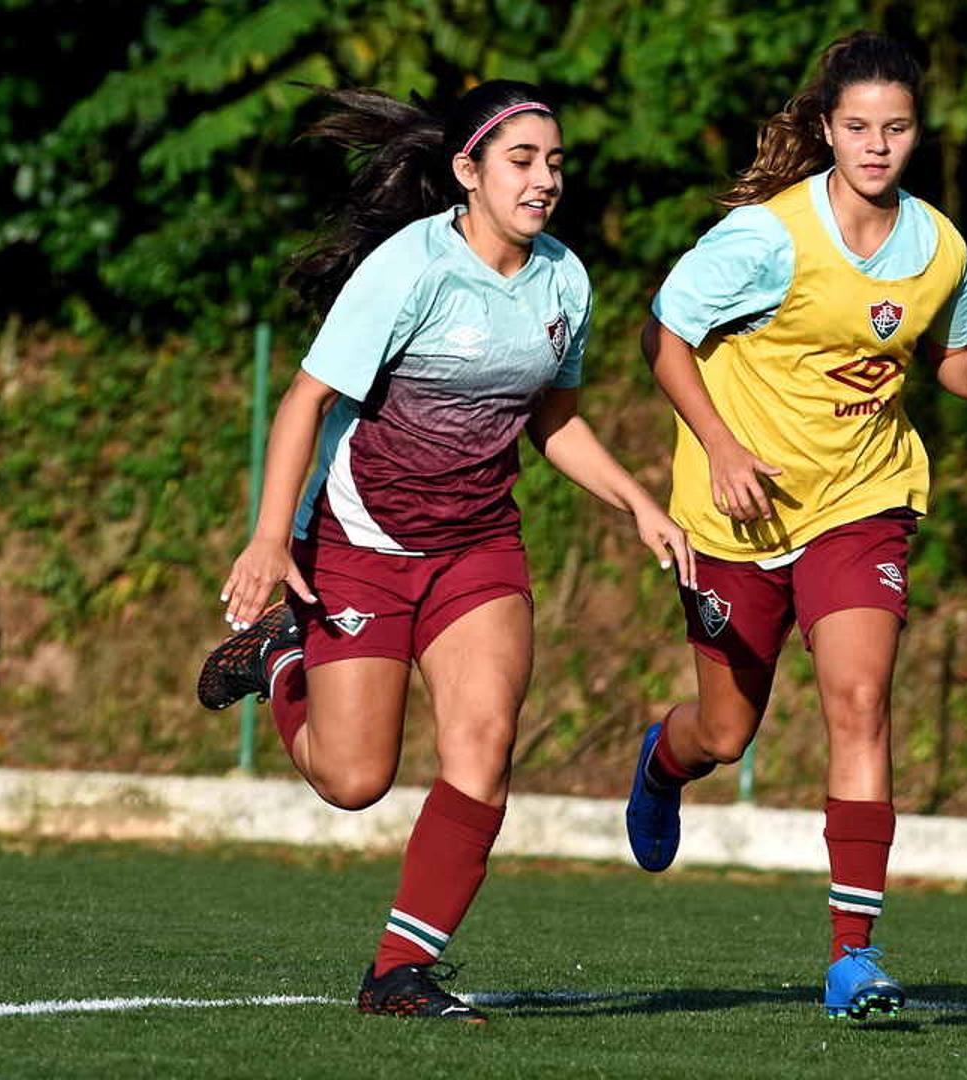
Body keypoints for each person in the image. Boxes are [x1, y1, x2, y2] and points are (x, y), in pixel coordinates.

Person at [195, 80, 694, 1024]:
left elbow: (553, 418)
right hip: (360, 542)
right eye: (521, 160)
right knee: (353, 781)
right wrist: (268, 536)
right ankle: (282, 656)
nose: (543, 178)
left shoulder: (563, 279)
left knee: (486, 741)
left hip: (477, 546)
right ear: (467, 172)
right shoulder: (407, 268)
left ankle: (398, 971)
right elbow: (305, 400)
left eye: (554, 161)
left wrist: (638, 501)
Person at [622, 32, 967, 1020]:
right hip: (740, 511)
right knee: (726, 730)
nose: (877, 146)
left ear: (916, 131)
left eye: (895, 127)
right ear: (828, 130)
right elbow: (663, 336)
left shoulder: (942, 248)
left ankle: (855, 956)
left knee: (860, 698)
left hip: (862, 500)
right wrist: (718, 447)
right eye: (858, 127)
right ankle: (662, 762)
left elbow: (941, 350)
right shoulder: (767, 238)